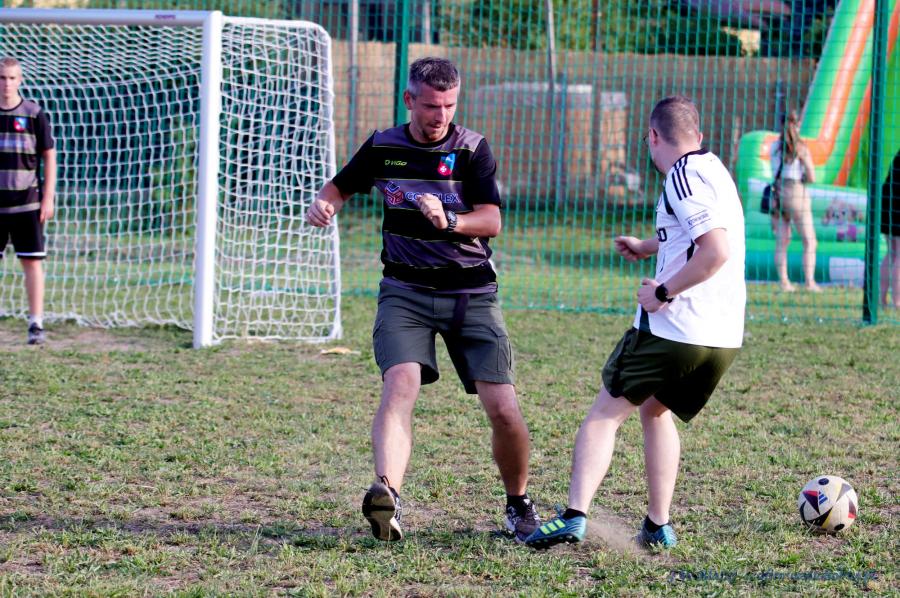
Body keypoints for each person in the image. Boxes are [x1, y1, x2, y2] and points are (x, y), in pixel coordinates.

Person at [306, 57, 540, 542]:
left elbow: (492, 220)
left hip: (470, 293)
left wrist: (449, 221)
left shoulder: (471, 149)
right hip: (405, 292)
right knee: (400, 386)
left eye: (450, 105)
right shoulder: (384, 146)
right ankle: (387, 496)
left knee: (503, 408)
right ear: (409, 100)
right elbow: (340, 186)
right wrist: (325, 203)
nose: (441, 115)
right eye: (432, 106)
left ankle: (518, 503)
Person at [524, 96, 745, 550]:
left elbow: (715, 251)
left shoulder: (680, 175)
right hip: (723, 337)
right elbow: (699, 234)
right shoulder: (715, 169)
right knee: (655, 411)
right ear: (699, 136)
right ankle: (658, 526)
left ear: (653, 136)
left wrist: (663, 292)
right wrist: (648, 246)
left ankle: (573, 516)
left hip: (676, 328)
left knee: (604, 416)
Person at [0, 57, 56, 345]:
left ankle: (36, 323)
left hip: (28, 202)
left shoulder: (34, 114)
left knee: (32, 262)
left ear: (20, 80)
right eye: (2, 78)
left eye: (12, 78)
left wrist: (48, 198)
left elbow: (49, 155)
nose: (6, 83)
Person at [770, 110, 819, 292]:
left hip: (778, 193)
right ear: (798, 124)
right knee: (809, 241)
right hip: (796, 193)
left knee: (782, 242)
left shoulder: (774, 146)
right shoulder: (801, 148)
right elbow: (812, 176)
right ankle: (809, 282)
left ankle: (784, 282)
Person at [880, 150, 900, 309]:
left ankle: (881, 298)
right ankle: (897, 300)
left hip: (888, 200)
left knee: (892, 252)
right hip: (896, 201)